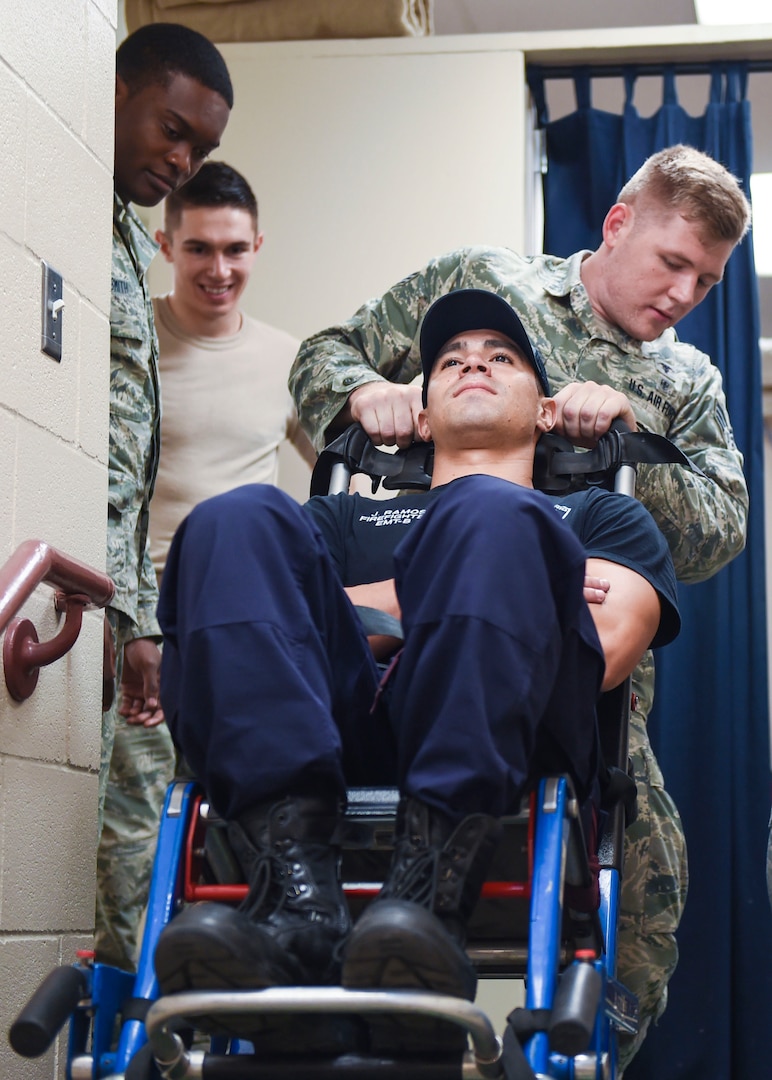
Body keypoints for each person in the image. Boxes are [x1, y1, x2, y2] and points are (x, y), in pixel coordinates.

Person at [288, 144, 750, 1069]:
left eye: (705, 280)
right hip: (402, 574)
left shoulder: (684, 381)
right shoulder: (483, 285)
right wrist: (367, 393)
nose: (684, 294)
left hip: (572, 670)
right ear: (618, 224)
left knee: (650, 891)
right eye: (673, 263)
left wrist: (626, 441)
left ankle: (573, 1054)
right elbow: (320, 357)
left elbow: (720, 532)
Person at [152, 290, 679, 1031]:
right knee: (232, 520)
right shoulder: (340, 520)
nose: (474, 364)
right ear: (422, 418)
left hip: (503, 746)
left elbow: (606, 645)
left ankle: (426, 897)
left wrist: (359, 606)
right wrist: (453, 591)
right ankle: (297, 895)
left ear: (547, 412)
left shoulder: (598, 517)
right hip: (332, 738)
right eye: (451, 360)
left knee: (488, 512)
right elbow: (252, 629)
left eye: (502, 357)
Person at [95, 23, 232, 974]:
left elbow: (117, 475)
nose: (181, 160)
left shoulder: (108, 236)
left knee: (135, 835)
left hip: (125, 608)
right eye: (172, 128)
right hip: (89, 604)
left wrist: (135, 617)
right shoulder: (61, 217)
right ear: (117, 88)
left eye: (202, 150)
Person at [148, 160, 316, 583]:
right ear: (165, 246)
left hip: (248, 602)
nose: (219, 271)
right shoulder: (129, 340)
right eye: (199, 248)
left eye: (235, 249)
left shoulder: (292, 359)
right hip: (140, 611)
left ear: (257, 246)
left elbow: (342, 480)